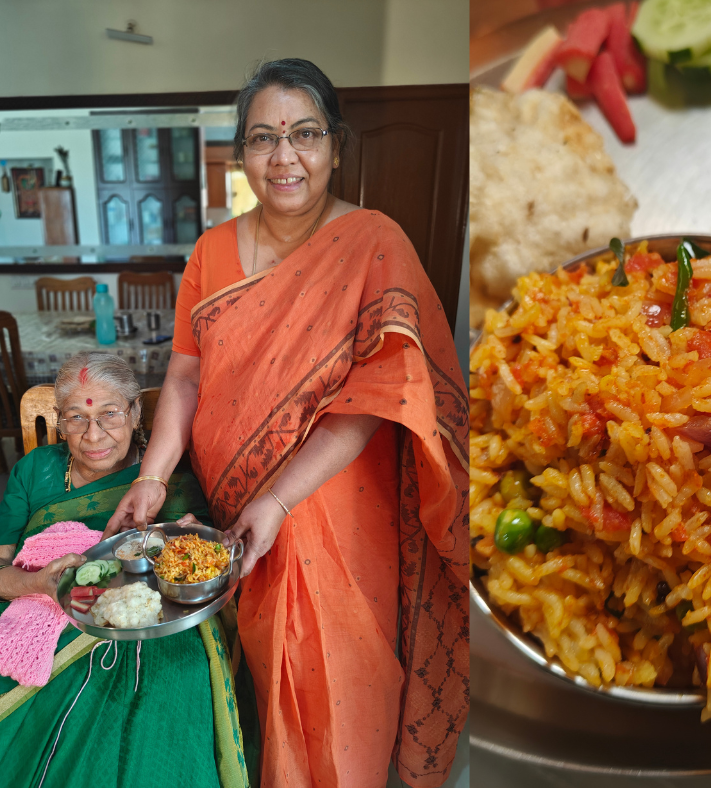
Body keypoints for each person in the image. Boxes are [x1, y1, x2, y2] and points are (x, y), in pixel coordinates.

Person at [104, 59, 469, 788]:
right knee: (260, 677)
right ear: (242, 155)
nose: (285, 157)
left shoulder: (375, 242)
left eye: (304, 134)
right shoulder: (210, 251)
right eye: (264, 138)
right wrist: (152, 476)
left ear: (335, 145)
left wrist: (278, 498)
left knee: (339, 675)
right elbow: (185, 374)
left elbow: (380, 396)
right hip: (230, 500)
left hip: (332, 503)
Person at [0, 352, 253, 788]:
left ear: (136, 412)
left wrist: (191, 539)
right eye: (76, 417)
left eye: (110, 414)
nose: (93, 434)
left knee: (174, 683)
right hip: (42, 617)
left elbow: (205, 562)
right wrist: (38, 582)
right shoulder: (33, 472)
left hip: (158, 621)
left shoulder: (171, 472)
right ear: (60, 421)